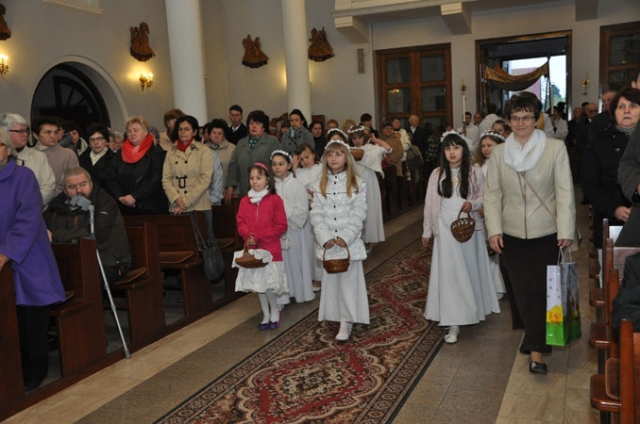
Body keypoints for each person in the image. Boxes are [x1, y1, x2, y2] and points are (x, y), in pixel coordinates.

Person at [484, 93, 575, 374]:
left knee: (538, 292)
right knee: (519, 291)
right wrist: (493, 230)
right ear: (508, 121)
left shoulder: (554, 148)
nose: (521, 122)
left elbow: (564, 191)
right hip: (510, 233)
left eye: (526, 117)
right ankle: (532, 332)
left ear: (537, 119)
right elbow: (492, 194)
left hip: (546, 233)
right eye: (515, 117)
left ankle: (536, 353)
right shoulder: (499, 153)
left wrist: (566, 229)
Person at [0, 130, 66, 392]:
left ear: (8, 149)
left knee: (30, 319)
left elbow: (27, 219)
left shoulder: (22, 176)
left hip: (27, 258)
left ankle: (34, 372)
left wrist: (5, 253)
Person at [422, 132, 500, 344]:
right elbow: (429, 204)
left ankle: (472, 308)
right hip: (444, 228)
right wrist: (427, 231)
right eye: (448, 148)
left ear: (464, 150)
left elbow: (485, 196)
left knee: (468, 269)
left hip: (468, 228)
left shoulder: (474, 172)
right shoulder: (437, 174)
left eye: (456, 148)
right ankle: (453, 319)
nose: (452, 152)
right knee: (450, 273)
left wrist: (472, 204)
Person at [310, 139, 368, 342]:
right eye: (330, 154)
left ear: (347, 157)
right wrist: (325, 237)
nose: (333, 158)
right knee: (333, 283)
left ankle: (347, 320)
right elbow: (316, 213)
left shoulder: (357, 183)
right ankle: (335, 314)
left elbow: (359, 213)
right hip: (329, 244)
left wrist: (346, 236)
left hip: (348, 243)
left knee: (348, 284)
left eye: (338, 154)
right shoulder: (319, 184)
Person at [44, 167, 131, 283]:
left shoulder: (105, 202)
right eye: (72, 187)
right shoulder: (57, 205)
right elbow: (43, 231)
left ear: (91, 184)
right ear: (64, 190)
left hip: (108, 261)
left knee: (82, 278)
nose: (79, 190)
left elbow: (96, 233)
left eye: (83, 184)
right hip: (68, 261)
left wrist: (56, 236)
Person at [582, 88, 639, 252]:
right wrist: (614, 209)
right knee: (612, 266)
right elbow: (590, 182)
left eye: (633, 106)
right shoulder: (599, 142)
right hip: (610, 217)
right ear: (613, 113)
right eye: (621, 106)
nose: (626, 110)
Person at [234, 162, 288, 329]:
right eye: (252, 178)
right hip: (253, 250)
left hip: (270, 249)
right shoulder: (245, 201)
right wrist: (248, 235)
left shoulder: (275, 200)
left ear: (267, 179)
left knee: (269, 285)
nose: (255, 181)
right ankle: (265, 314)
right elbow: (240, 222)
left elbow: (281, 225)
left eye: (259, 177)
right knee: (259, 286)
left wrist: (258, 236)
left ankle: (275, 311)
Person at [271, 150, 314, 307]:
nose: (277, 167)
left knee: (295, 260)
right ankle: (282, 297)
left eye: (281, 164)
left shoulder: (296, 184)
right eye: (274, 164)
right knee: (280, 264)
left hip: (292, 229)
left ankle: (298, 292)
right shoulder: (271, 186)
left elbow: (302, 209)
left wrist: (286, 217)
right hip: (276, 231)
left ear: (289, 165)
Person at [162, 115, 215, 238]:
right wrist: (176, 198)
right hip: (176, 206)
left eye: (187, 129)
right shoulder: (171, 152)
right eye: (180, 129)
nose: (183, 132)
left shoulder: (204, 150)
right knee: (179, 243)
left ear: (195, 132)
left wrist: (185, 201)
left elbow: (205, 179)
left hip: (198, 206)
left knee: (203, 243)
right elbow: (166, 179)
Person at [106, 115, 168, 215]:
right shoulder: (119, 154)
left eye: (136, 130)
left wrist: (134, 197)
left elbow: (155, 181)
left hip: (150, 208)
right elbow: (111, 178)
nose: (132, 134)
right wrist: (120, 197)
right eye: (129, 131)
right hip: (124, 207)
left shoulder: (157, 154)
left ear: (146, 132)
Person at [472, 131, 507, 300]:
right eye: (483, 146)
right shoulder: (478, 166)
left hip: (500, 210)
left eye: (490, 145)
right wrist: (480, 206)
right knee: (487, 248)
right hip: (482, 211)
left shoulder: (504, 164)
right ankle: (490, 286)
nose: (486, 149)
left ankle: (501, 286)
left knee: (500, 247)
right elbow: (476, 189)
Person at [0, 113, 55, 208]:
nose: (26, 134)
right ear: (5, 133)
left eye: (27, 131)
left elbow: (48, 187)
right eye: (20, 131)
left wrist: (30, 205)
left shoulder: (38, 157)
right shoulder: (2, 159)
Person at [348, 125, 391, 245]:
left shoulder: (371, 148)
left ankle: (368, 239)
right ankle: (356, 238)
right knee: (355, 210)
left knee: (369, 208)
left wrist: (375, 139)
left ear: (364, 137)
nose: (357, 141)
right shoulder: (348, 150)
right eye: (354, 138)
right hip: (354, 181)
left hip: (368, 180)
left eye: (359, 138)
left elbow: (388, 148)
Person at [225, 110, 280, 200]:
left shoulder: (272, 141)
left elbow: (278, 165)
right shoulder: (241, 143)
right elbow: (233, 165)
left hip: (265, 190)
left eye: (258, 123)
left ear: (264, 126)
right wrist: (230, 185)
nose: (254, 126)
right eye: (251, 123)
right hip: (244, 190)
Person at [292, 143, 324, 292]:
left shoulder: (321, 168)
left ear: (313, 154)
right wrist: (294, 168)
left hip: (318, 211)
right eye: (301, 159)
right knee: (306, 246)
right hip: (303, 214)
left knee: (317, 244)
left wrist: (315, 195)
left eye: (307, 157)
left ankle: (319, 277)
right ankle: (308, 276)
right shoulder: (297, 172)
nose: (305, 161)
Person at [32, 115, 79, 195]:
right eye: (48, 132)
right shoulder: (28, 155)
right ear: (36, 135)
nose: (53, 136)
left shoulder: (68, 154)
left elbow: (74, 183)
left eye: (55, 132)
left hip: (59, 199)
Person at [78, 123, 115, 190]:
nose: (96, 142)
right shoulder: (82, 158)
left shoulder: (114, 158)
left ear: (106, 140)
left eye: (99, 139)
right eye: (92, 139)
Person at [208, 119, 236, 189]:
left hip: (226, 188)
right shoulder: (202, 149)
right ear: (209, 135)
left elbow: (235, 171)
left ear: (224, 136)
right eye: (214, 133)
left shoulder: (232, 149)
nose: (216, 135)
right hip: (207, 190)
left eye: (219, 133)